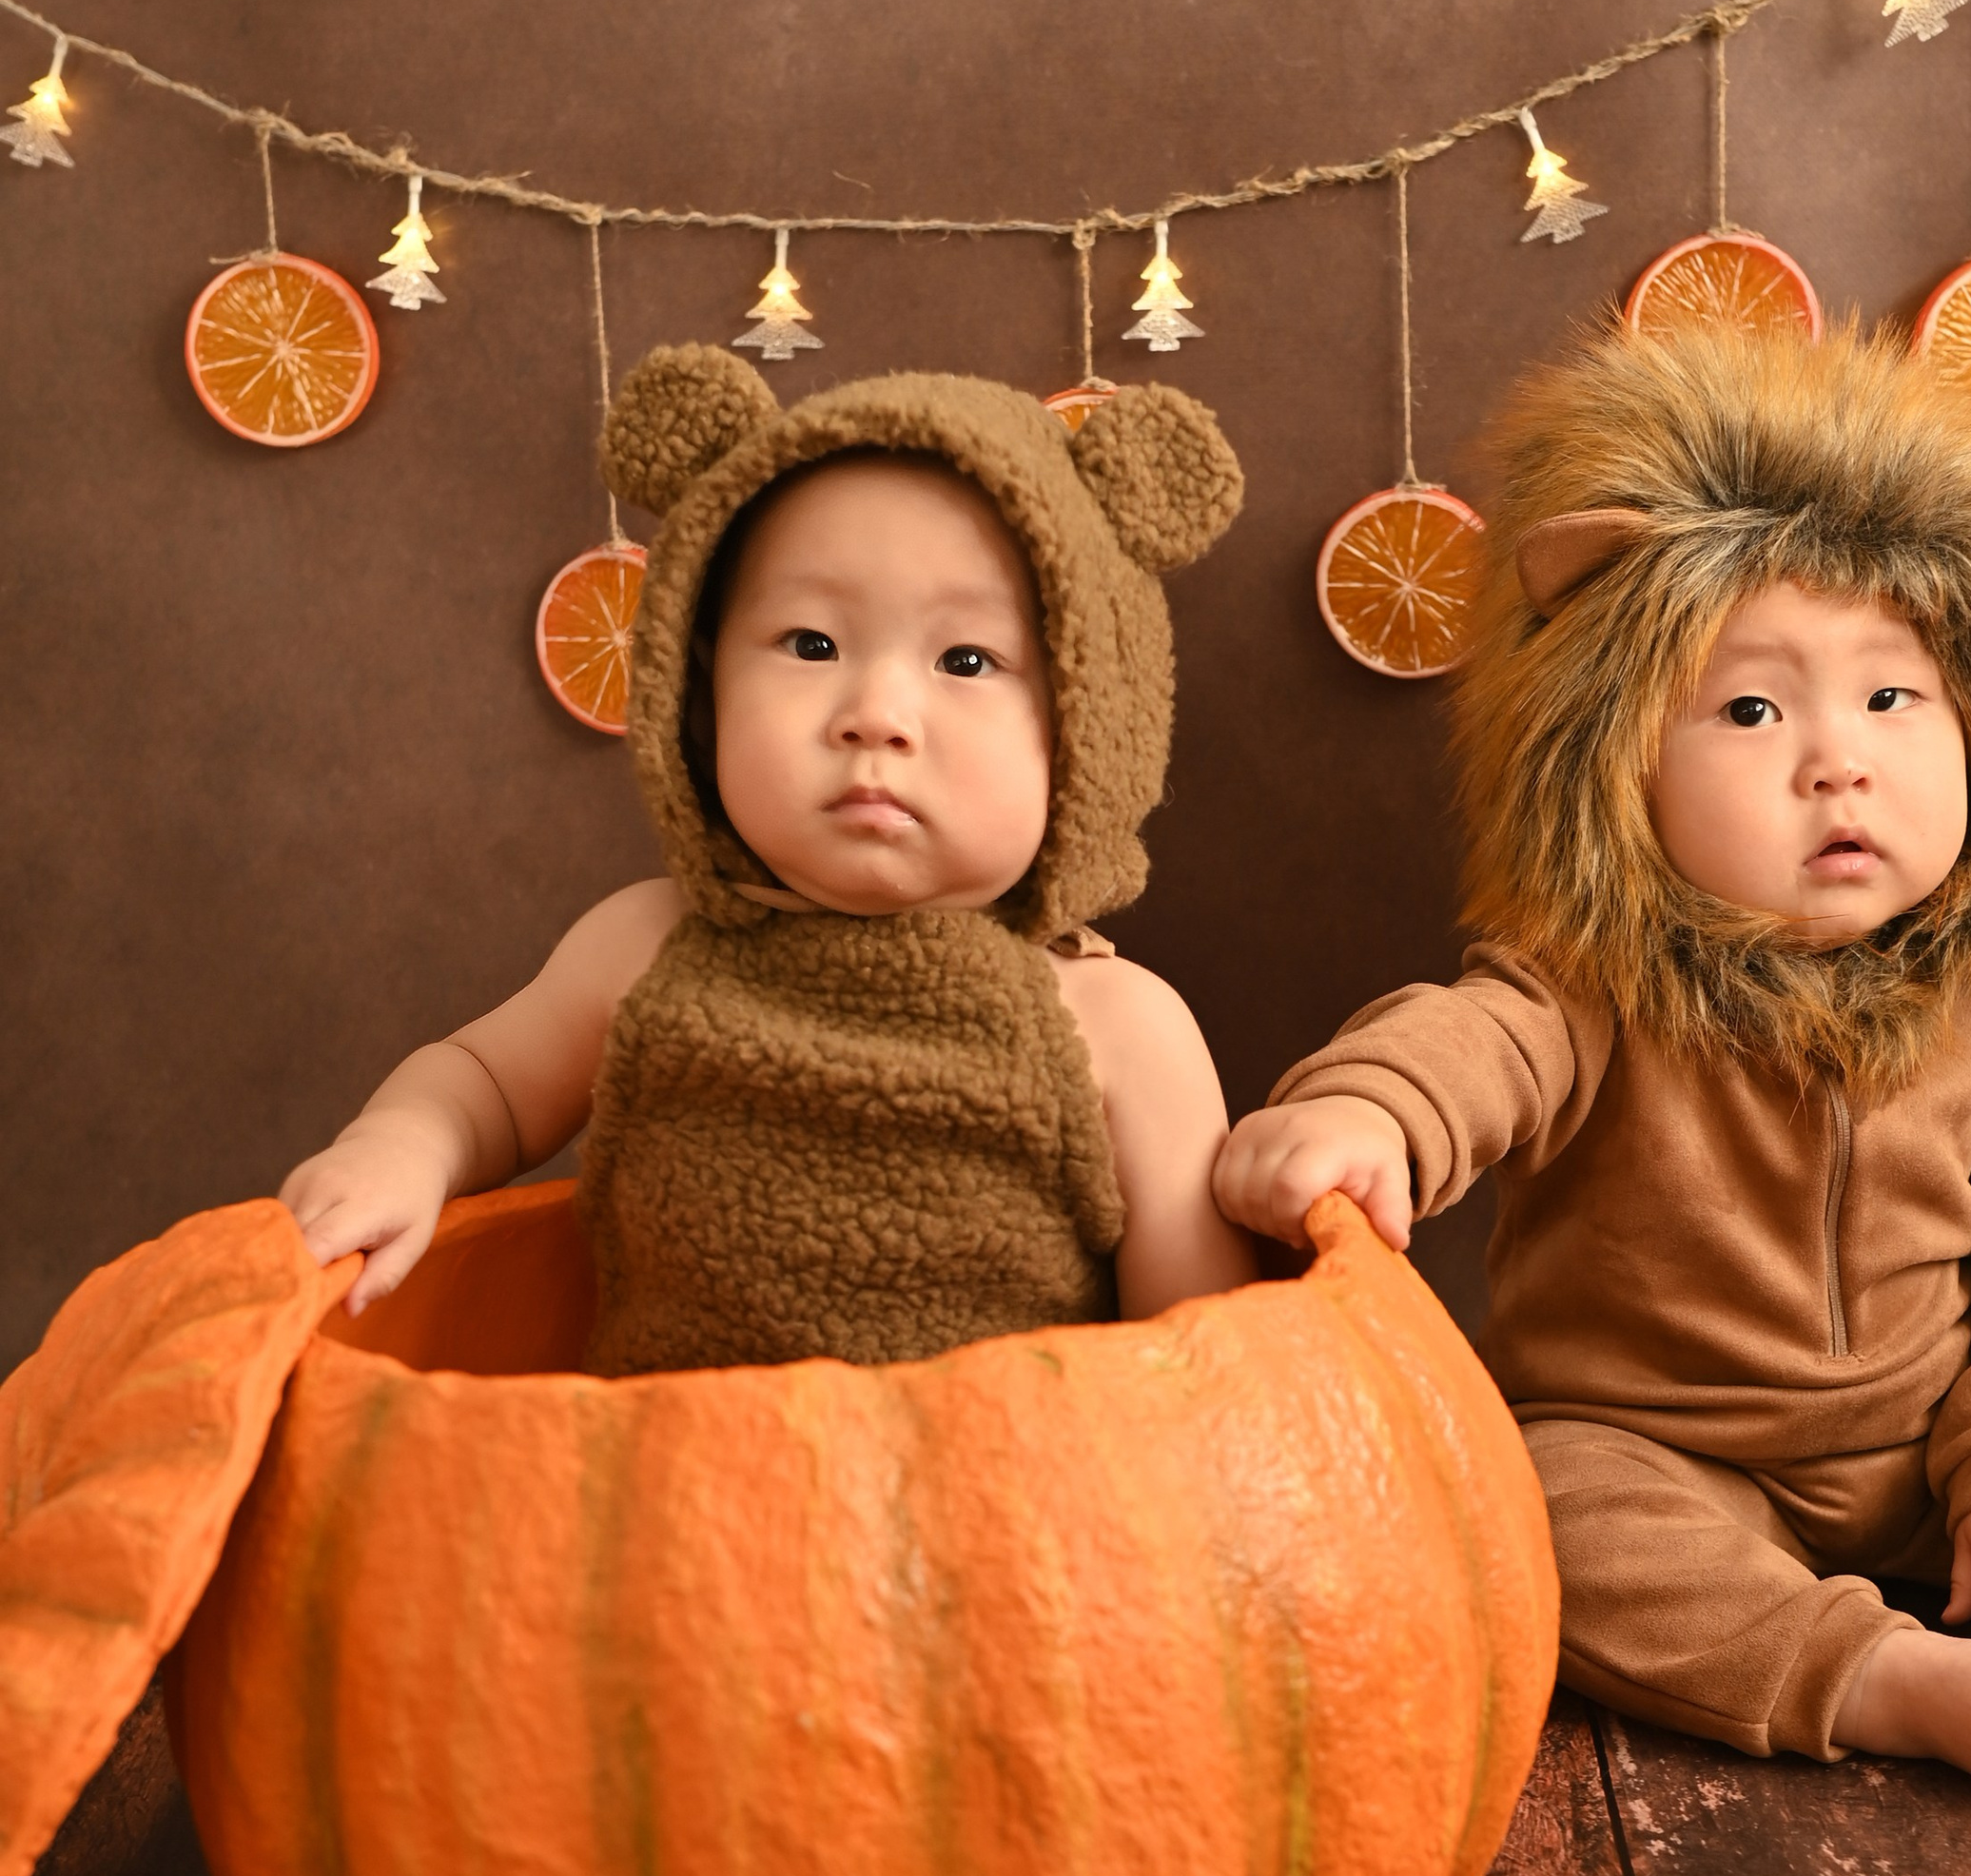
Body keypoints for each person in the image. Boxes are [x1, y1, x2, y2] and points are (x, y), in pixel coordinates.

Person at [1218, 318, 1971, 1815]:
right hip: (1674, 1458)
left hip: (1949, 1451)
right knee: (1538, 1500)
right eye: (1752, 707)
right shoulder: (1592, 977)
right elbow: (1475, 1042)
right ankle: (1893, 1679)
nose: (1834, 758)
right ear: (1621, 767)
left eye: (1891, 698)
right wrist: (1368, 1112)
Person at [283, 351, 1260, 1368]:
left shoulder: (1118, 1027)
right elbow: (482, 1079)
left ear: (1093, 728)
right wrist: (403, 1148)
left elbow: (1199, 1365)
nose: (874, 716)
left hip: (990, 1507)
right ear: (698, 691)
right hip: (675, 1493)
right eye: (809, 643)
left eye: (965, 661)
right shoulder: (644, 947)